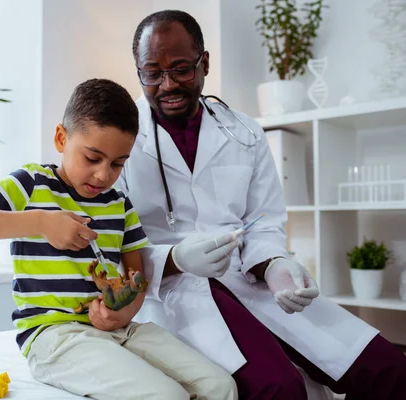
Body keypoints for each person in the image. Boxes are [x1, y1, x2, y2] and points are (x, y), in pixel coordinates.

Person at [116, 9, 406, 400]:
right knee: (281, 387)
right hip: (174, 293)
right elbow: (109, 243)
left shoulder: (244, 130)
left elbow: (263, 220)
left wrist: (276, 266)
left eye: (181, 69)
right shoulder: (119, 137)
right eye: (152, 73)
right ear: (138, 72)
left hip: (246, 280)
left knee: (387, 367)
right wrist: (174, 259)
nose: (167, 84)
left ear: (204, 63)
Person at [0, 78, 237, 400]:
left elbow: (135, 277)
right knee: (166, 396)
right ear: (61, 138)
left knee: (220, 387)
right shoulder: (32, 184)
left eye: (117, 164)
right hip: (54, 335)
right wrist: (41, 222)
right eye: (92, 158)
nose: (103, 174)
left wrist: (124, 313)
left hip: (119, 329)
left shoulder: (119, 204)